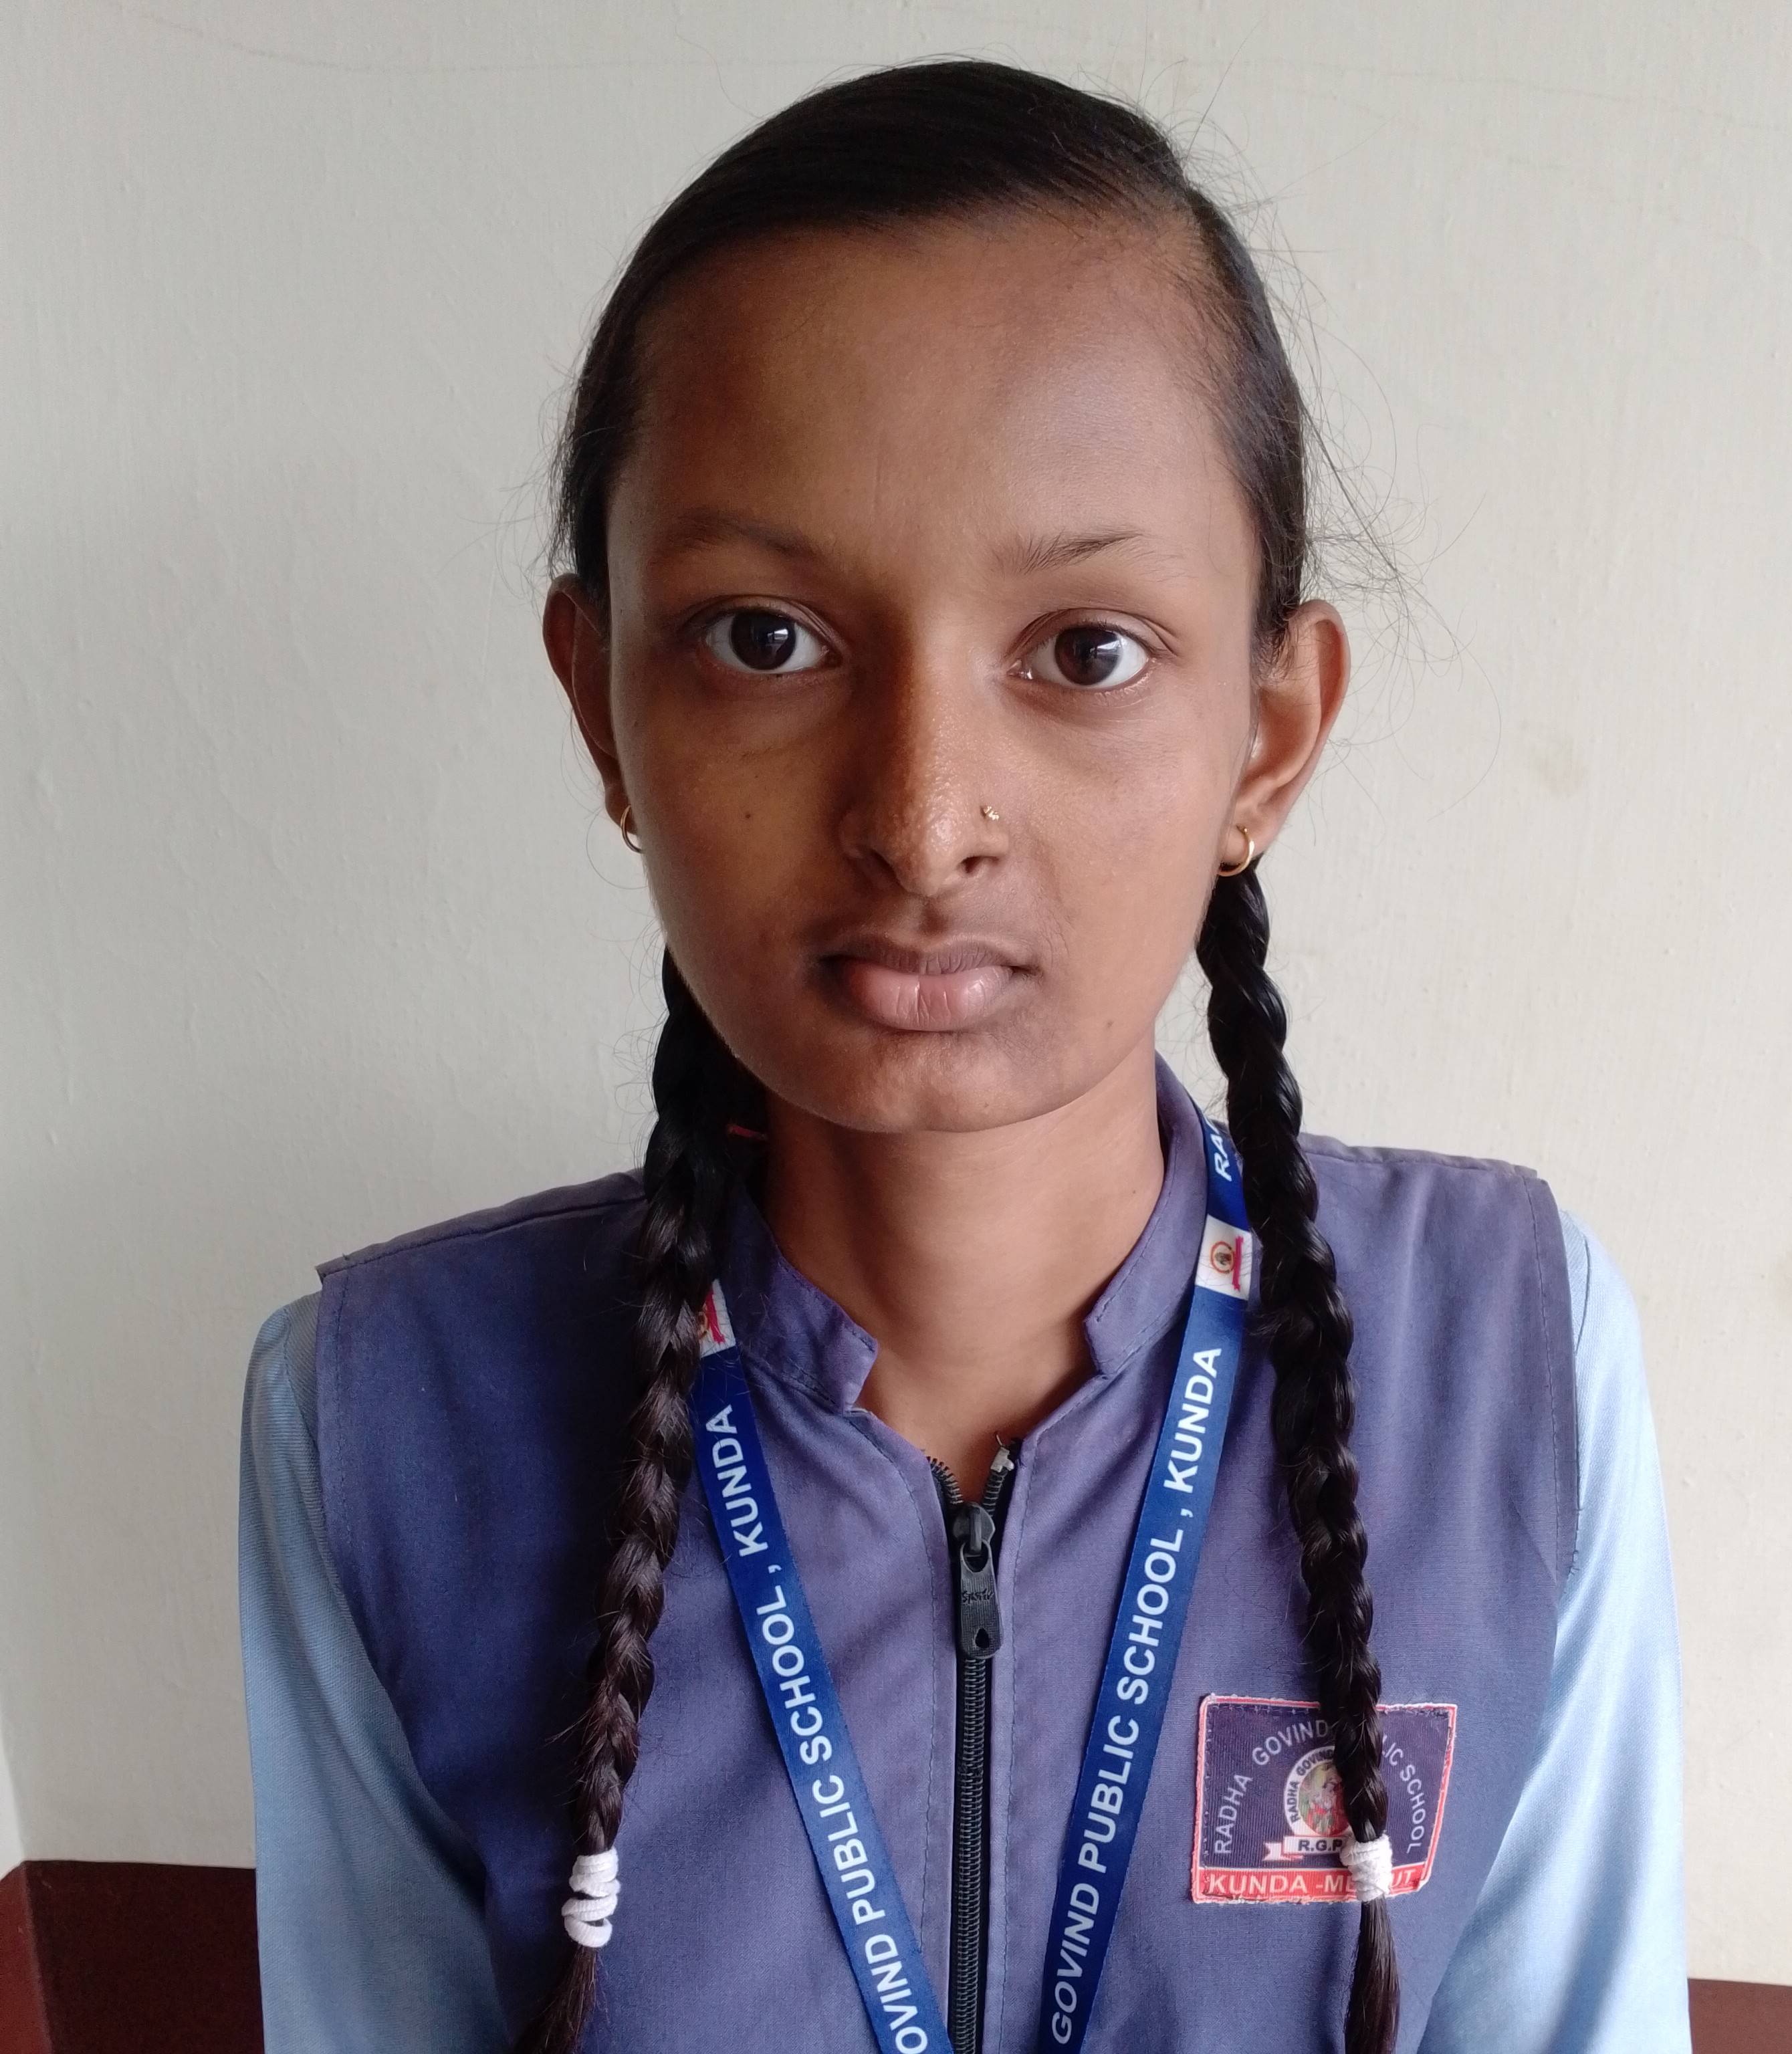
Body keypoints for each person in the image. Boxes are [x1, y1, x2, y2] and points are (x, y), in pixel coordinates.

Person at [238, 58, 1690, 2054]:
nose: (925, 822)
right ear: (602, 708)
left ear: (1267, 735)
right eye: (765, 638)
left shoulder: (1513, 1364)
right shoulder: (379, 1423)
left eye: (1086, 651)